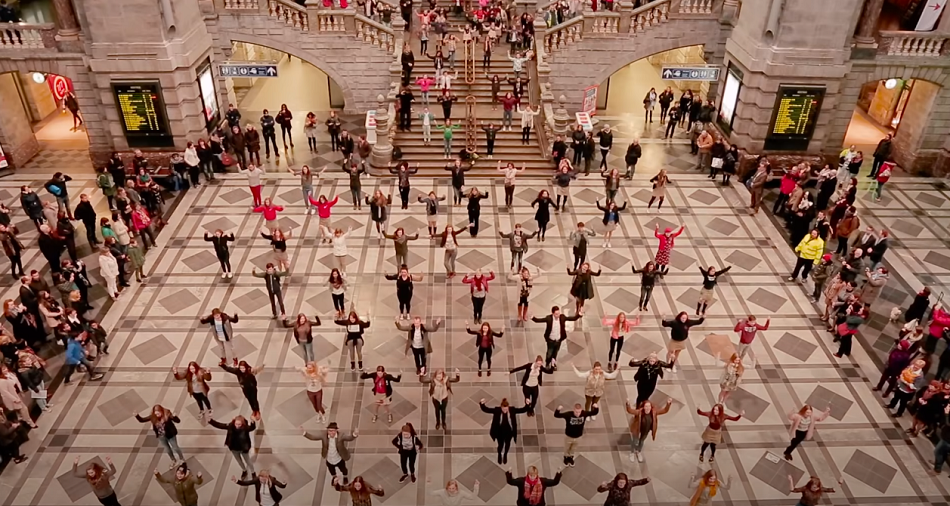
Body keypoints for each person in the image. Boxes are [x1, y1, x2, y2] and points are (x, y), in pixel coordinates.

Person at [480, 397, 530, 464]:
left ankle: (505, 454)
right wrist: (482, 404)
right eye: (503, 409)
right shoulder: (497, 410)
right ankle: (499, 454)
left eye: (506, 409)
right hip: (499, 432)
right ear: (501, 407)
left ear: (508, 407)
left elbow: (522, 410)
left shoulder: (512, 410)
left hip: (509, 432)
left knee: (507, 444)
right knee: (500, 445)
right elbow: (486, 410)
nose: (505, 411)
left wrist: (527, 404)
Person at [624, 398, 672, 463]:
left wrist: (668, 404)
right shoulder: (639, 412)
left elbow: (664, 411)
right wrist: (628, 404)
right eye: (646, 406)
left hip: (645, 431)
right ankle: (632, 453)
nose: (647, 408)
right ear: (643, 407)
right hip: (637, 430)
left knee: (641, 441)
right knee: (635, 441)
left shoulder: (654, 412)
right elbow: (630, 411)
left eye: (649, 406)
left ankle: (638, 452)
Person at [554, 402, 598, 466]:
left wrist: (596, 407)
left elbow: (594, 413)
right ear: (573, 410)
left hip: (578, 436)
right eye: (576, 412)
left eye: (579, 412)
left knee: (574, 448)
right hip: (569, 436)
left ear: (581, 410)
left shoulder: (584, 414)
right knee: (567, 447)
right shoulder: (568, 415)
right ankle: (566, 457)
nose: (577, 414)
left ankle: (571, 457)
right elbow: (557, 415)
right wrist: (558, 409)